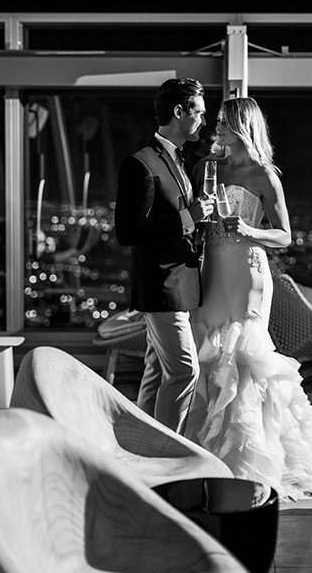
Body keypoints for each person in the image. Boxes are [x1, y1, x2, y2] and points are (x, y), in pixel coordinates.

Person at [185, 96, 312, 500]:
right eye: (216, 122)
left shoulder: (264, 175)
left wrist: (248, 231)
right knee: (206, 351)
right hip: (210, 269)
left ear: (243, 125)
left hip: (247, 270)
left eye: (225, 122)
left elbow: (285, 236)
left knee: (242, 355)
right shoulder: (204, 167)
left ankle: (249, 458)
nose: (216, 128)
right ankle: (200, 453)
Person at [114, 78, 214, 435]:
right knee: (185, 370)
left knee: (156, 373)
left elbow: (178, 226)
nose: (203, 121)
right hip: (161, 286)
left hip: (181, 284)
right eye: (198, 113)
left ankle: (139, 447)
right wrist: (188, 217)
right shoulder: (139, 164)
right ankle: (167, 456)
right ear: (179, 111)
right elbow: (128, 231)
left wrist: (198, 226)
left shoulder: (179, 160)